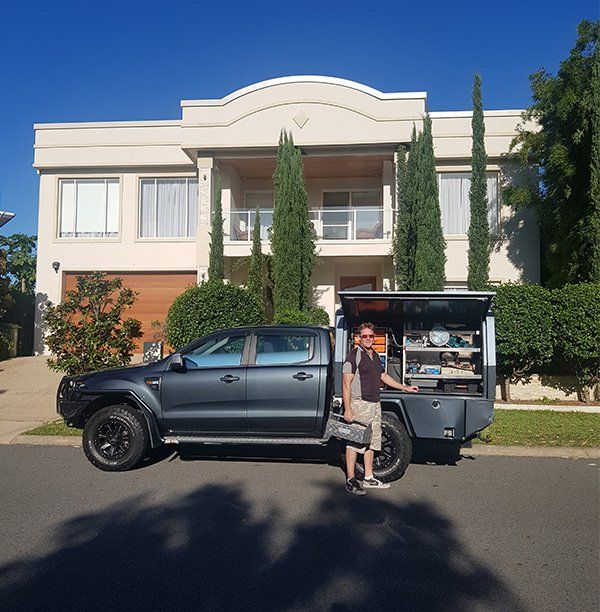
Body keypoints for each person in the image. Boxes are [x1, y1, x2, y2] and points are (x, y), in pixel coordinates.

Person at [342, 322, 418, 494]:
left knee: (372, 441)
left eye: (370, 336)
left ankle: (368, 477)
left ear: (374, 337)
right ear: (359, 338)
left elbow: (383, 376)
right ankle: (351, 480)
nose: (368, 339)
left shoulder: (374, 355)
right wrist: (348, 409)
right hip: (360, 404)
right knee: (354, 443)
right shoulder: (353, 356)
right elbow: (346, 384)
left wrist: (404, 387)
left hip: (375, 404)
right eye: (364, 336)